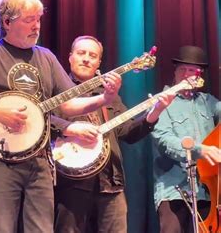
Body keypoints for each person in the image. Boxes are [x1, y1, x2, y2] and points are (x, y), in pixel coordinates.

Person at [0, 0, 122, 233]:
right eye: (29, 20)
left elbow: (67, 106)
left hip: (40, 159)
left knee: (41, 229)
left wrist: (105, 98)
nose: (37, 26)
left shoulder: (46, 57)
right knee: (0, 228)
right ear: (7, 22)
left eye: (38, 19)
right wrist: (0, 114)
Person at [52, 35, 174, 233]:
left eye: (92, 55)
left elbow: (127, 132)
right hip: (71, 184)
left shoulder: (108, 94)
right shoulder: (57, 91)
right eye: (81, 53)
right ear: (70, 57)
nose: (86, 59)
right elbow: (45, 123)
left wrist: (155, 112)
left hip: (110, 182)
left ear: (99, 63)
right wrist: (69, 128)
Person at [151, 45, 221, 232]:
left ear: (200, 76)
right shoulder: (161, 101)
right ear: (175, 71)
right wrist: (199, 150)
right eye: (183, 69)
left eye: (193, 70)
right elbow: (164, 140)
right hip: (174, 189)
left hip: (207, 191)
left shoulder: (208, 101)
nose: (187, 74)